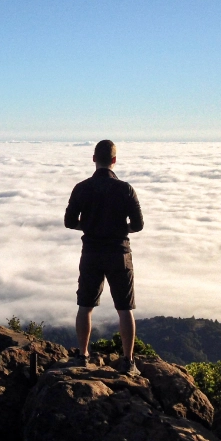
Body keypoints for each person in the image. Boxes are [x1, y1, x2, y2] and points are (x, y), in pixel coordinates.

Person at [64, 139, 144, 376]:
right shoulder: (125, 189)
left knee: (85, 306)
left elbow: (69, 222)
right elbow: (138, 225)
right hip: (119, 253)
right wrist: (118, 230)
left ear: (93, 159)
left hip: (91, 253)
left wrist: (90, 227)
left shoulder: (81, 188)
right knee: (125, 308)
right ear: (114, 160)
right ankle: (128, 362)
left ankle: (82, 355)